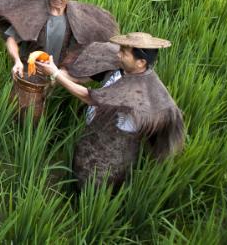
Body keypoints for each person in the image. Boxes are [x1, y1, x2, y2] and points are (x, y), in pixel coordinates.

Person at [35, 33, 184, 189]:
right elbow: (82, 77)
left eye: (124, 53)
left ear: (141, 62)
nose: (118, 54)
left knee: (97, 187)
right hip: (90, 136)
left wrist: (55, 74)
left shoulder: (143, 89)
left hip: (113, 153)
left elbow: (88, 96)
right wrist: (55, 73)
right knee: (78, 174)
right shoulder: (121, 69)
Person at [0, 0, 118, 121]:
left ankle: (49, 122)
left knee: (52, 106)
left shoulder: (77, 17)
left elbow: (83, 49)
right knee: (23, 110)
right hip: (30, 69)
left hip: (56, 69)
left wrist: (60, 73)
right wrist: (17, 61)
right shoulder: (33, 9)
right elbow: (11, 38)